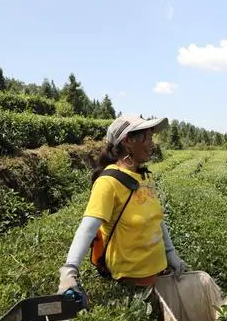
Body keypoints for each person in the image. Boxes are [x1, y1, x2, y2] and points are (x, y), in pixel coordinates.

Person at [57, 114, 188, 304]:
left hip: (159, 274)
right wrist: (70, 270)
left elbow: (157, 220)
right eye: (148, 137)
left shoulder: (144, 178)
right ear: (127, 140)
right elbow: (87, 228)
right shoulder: (108, 183)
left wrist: (171, 254)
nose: (152, 143)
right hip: (132, 283)